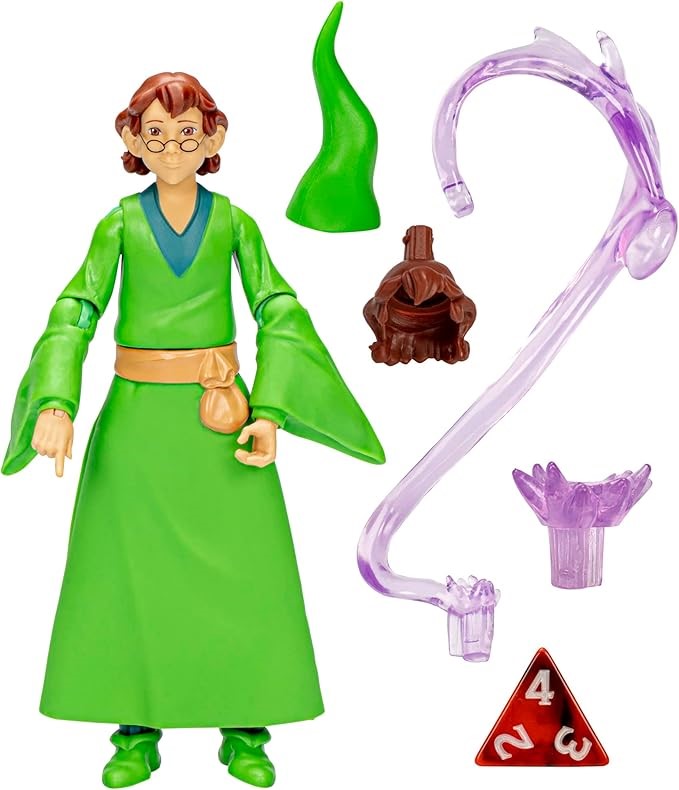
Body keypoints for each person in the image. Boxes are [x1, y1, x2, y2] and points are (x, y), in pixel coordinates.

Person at [2, 72, 384, 789]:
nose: (172, 149)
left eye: (186, 135)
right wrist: (55, 400)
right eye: (155, 135)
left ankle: (246, 724)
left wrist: (269, 411)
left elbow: (277, 307)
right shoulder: (119, 224)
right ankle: (133, 725)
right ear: (130, 138)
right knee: (127, 573)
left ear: (213, 137)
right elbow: (76, 309)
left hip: (220, 422)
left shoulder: (236, 224)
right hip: (137, 422)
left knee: (245, 572)